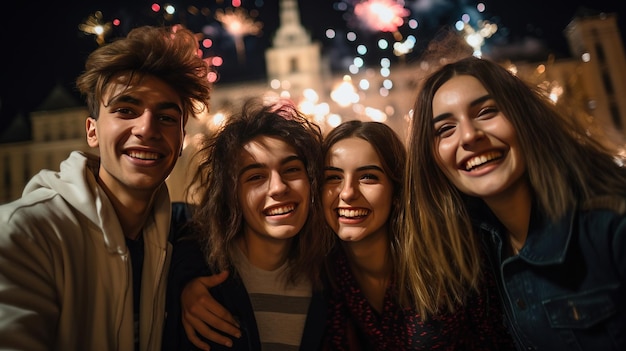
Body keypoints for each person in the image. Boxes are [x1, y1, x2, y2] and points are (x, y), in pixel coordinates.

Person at [0, 25, 212, 350]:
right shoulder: (26, 233)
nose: (147, 128)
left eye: (167, 118)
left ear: (182, 140)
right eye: (126, 110)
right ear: (92, 131)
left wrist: (189, 282)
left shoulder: (176, 234)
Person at [405, 55, 626, 350]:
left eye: (486, 112)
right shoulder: (474, 250)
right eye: (445, 129)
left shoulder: (610, 224)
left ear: (525, 117)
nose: (469, 136)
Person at [321, 120, 513, 350]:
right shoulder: (328, 269)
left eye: (368, 177)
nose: (348, 193)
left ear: (396, 190)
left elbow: (497, 340)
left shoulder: (445, 254)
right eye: (333, 177)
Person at [162, 98, 334, 350]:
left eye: (292, 170)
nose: (278, 188)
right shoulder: (201, 272)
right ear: (232, 195)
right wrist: (182, 283)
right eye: (256, 177)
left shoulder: (330, 276)